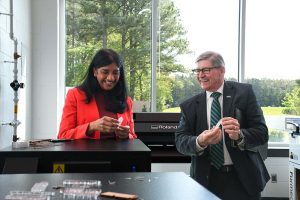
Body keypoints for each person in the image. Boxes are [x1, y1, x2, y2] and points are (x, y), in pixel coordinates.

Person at [175, 51, 270, 200]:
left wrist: (240, 136)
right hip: (205, 180)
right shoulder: (190, 105)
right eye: (197, 71)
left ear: (222, 70)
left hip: (242, 179)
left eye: (206, 70)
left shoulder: (244, 93)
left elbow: (262, 133)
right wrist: (200, 141)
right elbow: (180, 141)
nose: (201, 75)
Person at [58, 48, 137, 140]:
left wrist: (127, 135)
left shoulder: (127, 101)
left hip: (120, 154)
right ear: (95, 71)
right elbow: (63, 136)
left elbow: (133, 137)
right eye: (105, 72)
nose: (111, 78)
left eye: (115, 73)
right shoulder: (75, 95)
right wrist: (91, 127)